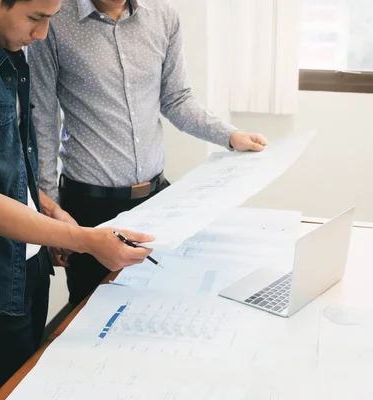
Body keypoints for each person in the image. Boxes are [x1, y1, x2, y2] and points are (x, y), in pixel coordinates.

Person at [0, 0, 152, 397]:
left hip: (25, 256)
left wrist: (52, 212)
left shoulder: (1, 44)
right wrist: (89, 240)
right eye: (35, 18)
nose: (42, 35)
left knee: (36, 374)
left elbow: (8, 160)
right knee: (14, 387)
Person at [28, 0, 268, 307]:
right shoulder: (55, 21)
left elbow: (177, 99)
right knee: (92, 315)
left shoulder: (163, 16)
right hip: (89, 209)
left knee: (162, 307)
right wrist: (51, 218)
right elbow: (42, 121)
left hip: (157, 202)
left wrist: (230, 136)